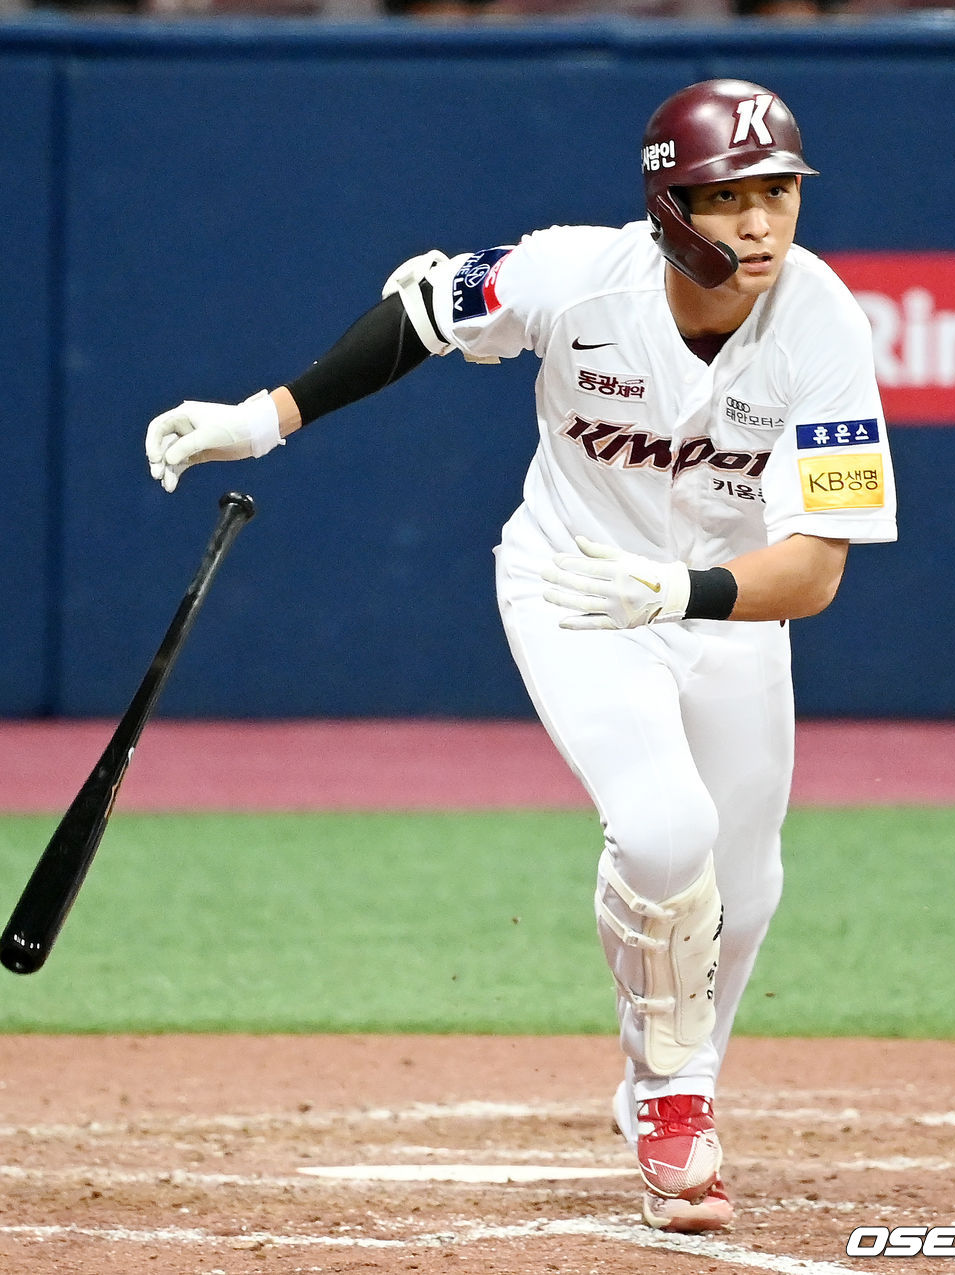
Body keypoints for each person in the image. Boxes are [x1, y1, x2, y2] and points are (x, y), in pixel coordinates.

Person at [145, 78, 897, 1233]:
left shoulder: (825, 322)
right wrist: (259, 420)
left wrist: (683, 591)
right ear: (669, 208)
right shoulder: (573, 276)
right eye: (728, 195)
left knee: (743, 891)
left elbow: (817, 569)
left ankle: (670, 1072)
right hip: (572, 588)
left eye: (778, 194)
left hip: (727, 608)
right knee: (663, 830)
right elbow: (421, 317)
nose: (759, 223)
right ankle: (673, 1099)